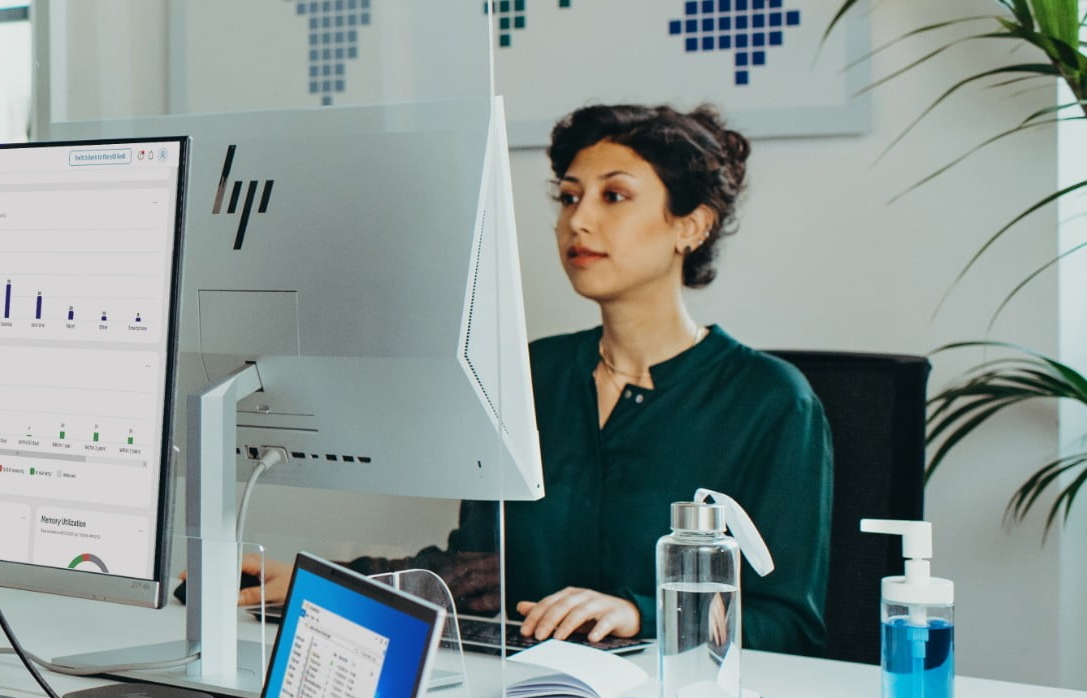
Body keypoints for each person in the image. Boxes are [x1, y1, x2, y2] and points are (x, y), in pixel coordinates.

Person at [225, 104, 834, 657]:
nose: (578, 221)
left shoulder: (772, 401)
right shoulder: (527, 375)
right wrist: (315, 582)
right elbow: (476, 578)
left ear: (690, 227)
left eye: (614, 197)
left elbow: (789, 625)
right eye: (569, 199)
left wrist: (638, 614)